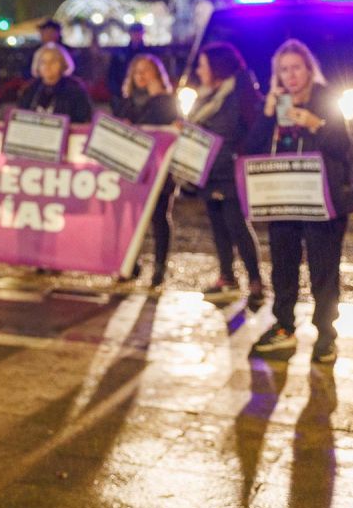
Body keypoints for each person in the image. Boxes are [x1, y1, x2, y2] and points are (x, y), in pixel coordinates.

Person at [245, 40, 352, 363]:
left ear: (308, 69)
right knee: (283, 266)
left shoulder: (324, 97)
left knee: (323, 270)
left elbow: (344, 146)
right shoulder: (276, 103)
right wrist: (266, 115)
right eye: (284, 70)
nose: (290, 75)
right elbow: (252, 147)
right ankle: (284, 325)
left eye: (296, 68)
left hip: (322, 200)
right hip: (283, 198)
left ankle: (325, 334)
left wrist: (314, 123)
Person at [185, 42, 264, 305]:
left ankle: (255, 280)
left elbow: (245, 127)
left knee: (237, 225)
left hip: (230, 169)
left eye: (203, 65)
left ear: (217, 67)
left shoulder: (239, 91)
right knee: (218, 227)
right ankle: (227, 277)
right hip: (208, 170)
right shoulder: (206, 94)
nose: (199, 71)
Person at [116, 54, 180, 287]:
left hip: (160, 170)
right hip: (133, 169)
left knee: (159, 217)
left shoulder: (166, 100)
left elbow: (167, 123)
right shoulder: (127, 101)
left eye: (147, 70)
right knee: (130, 218)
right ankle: (130, 262)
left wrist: (158, 96)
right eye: (137, 71)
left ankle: (160, 267)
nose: (141, 76)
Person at [16, 43, 93, 123]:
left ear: (63, 64)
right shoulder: (30, 89)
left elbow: (84, 119)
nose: (47, 66)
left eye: (53, 61)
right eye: (43, 62)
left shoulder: (75, 90)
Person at [108, 23, 148, 107]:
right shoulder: (120, 53)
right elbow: (112, 74)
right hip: (122, 93)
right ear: (130, 33)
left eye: (138, 32)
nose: (136, 35)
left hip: (144, 94)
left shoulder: (149, 54)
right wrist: (117, 91)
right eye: (134, 32)